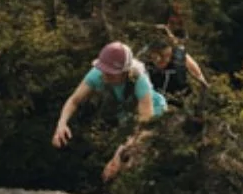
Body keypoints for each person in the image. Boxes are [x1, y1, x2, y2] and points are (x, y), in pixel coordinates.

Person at [52, 40, 165, 183]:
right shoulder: (97, 74)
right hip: (127, 114)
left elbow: (145, 124)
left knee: (134, 156)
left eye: (111, 73)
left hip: (153, 112)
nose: (105, 75)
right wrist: (61, 124)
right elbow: (74, 100)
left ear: (125, 72)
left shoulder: (139, 80)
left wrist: (119, 154)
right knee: (118, 163)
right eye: (104, 70)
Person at [141, 33, 207, 101]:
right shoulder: (146, 62)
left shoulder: (180, 58)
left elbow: (199, 76)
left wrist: (202, 84)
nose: (166, 60)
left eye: (168, 55)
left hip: (180, 95)